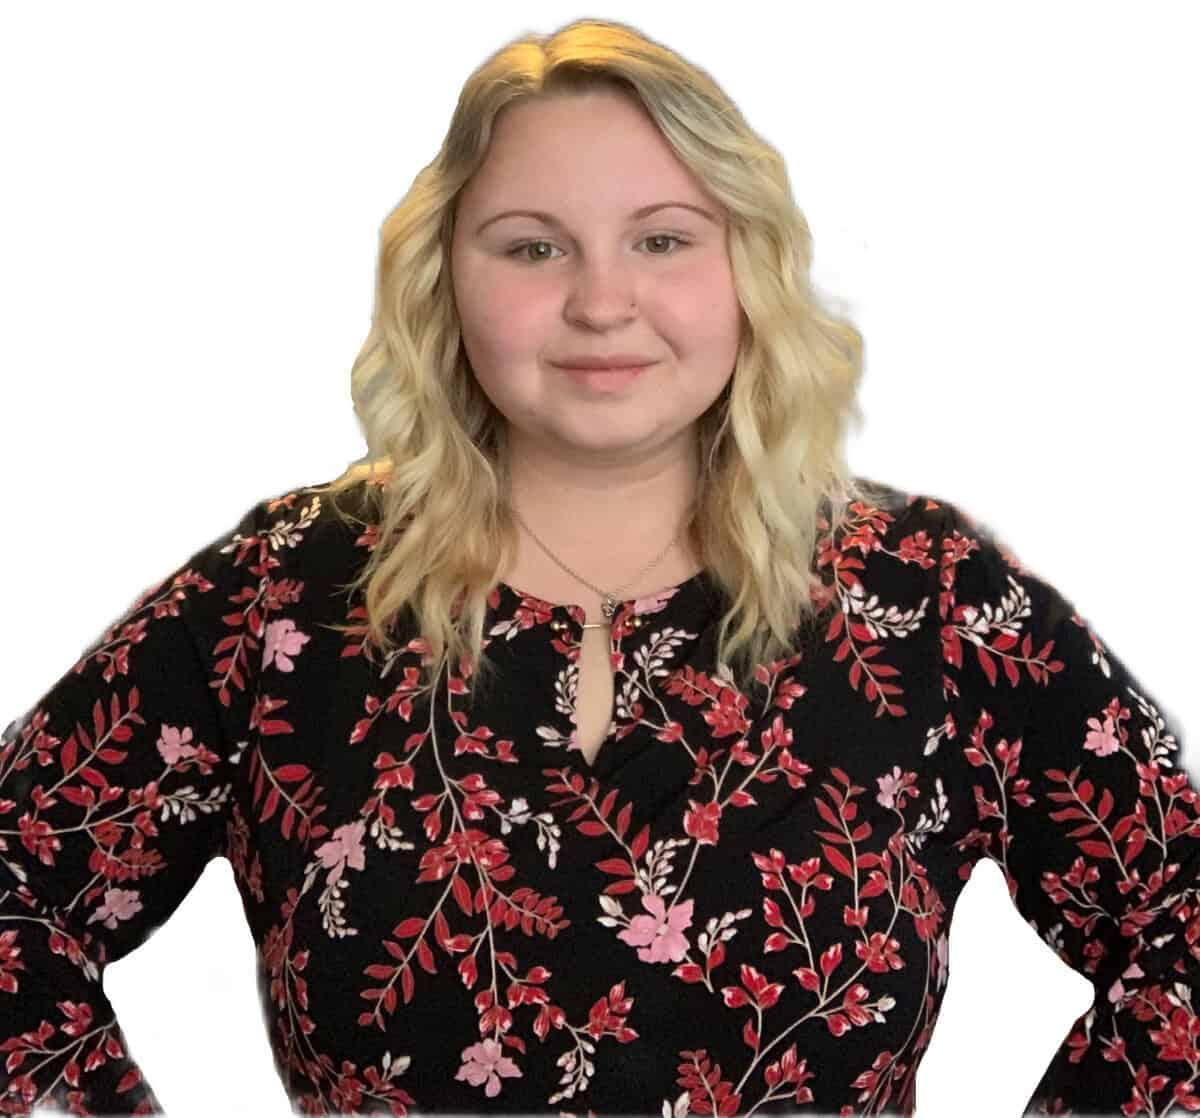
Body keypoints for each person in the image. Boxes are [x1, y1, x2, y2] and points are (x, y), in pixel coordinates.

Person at [2, 16, 1196, 1118]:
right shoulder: (284, 595)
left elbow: (1178, 928)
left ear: (749, 268)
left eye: (663, 239)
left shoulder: (926, 598)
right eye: (533, 247)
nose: (602, 301)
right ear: (445, 276)